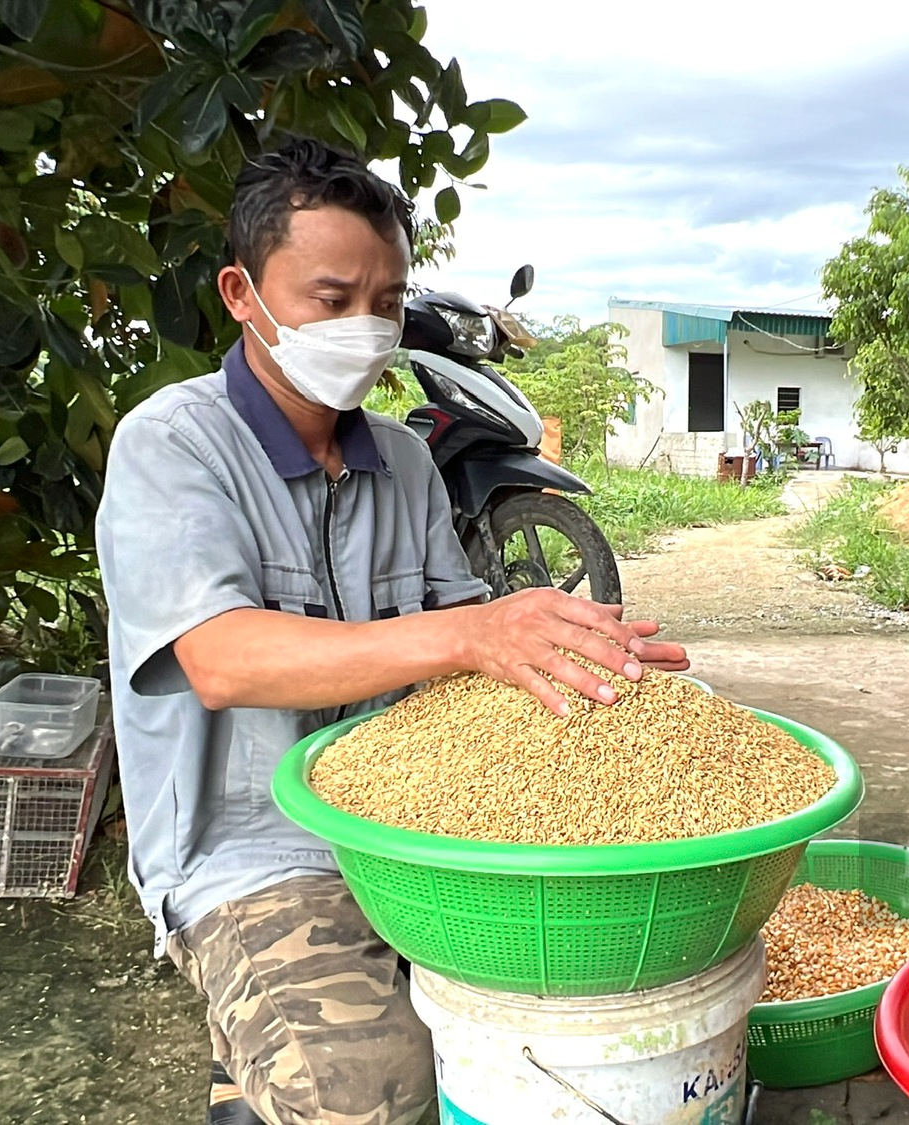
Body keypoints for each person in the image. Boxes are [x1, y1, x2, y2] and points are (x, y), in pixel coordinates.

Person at [96, 136, 689, 1125]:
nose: (366, 329)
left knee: (606, 979)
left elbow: (459, 625)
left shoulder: (404, 466)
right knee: (368, 1092)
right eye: (332, 300)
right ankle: (259, 1043)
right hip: (257, 853)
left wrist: (565, 640)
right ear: (242, 294)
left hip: (413, 827)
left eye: (385, 302)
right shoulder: (173, 443)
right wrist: (465, 639)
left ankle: (255, 1064)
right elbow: (220, 657)